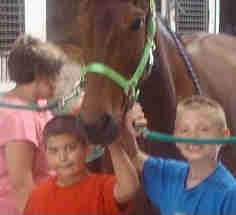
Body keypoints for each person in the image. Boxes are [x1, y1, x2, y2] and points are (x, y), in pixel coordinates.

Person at [125, 95, 236, 215]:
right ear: (176, 138)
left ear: (224, 136)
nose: (193, 137)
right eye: (184, 130)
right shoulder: (170, 175)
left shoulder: (229, 193)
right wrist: (129, 116)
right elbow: (134, 156)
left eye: (204, 129)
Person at [0, 34, 67, 214]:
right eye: (55, 75)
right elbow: (21, 186)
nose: (59, 82)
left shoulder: (39, 105)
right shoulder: (18, 119)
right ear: (39, 74)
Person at [24, 114, 140, 215]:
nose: (62, 157)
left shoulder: (101, 187)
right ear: (45, 153)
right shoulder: (38, 195)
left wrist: (112, 143)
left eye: (71, 148)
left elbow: (129, 189)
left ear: (87, 149)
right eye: (54, 151)